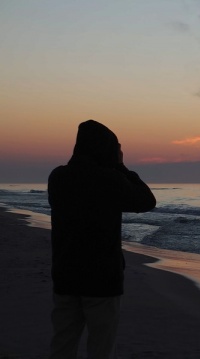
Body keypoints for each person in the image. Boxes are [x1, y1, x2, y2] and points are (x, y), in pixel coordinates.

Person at [48, 120, 156, 359]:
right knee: (101, 348)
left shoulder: (58, 177)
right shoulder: (109, 179)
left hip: (65, 275)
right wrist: (121, 166)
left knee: (62, 345)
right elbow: (147, 201)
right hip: (102, 280)